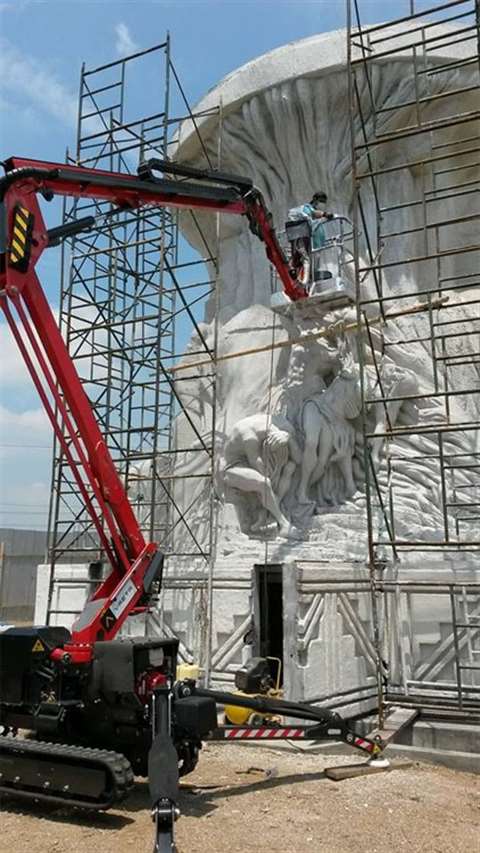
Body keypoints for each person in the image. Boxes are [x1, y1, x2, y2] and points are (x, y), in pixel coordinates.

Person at [286, 191, 334, 288]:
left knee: (312, 269)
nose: (322, 204)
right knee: (305, 265)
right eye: (321, 201)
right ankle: (303, 284)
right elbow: (313, 213)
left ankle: (307, 284)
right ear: (315, 200)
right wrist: (325, 214)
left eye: (324, 202)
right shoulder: (306, 208)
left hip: (316, 248)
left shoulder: (315, 217)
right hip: (308, 247)